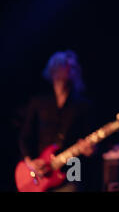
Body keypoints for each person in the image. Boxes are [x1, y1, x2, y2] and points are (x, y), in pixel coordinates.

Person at [18, 50, 97, 192]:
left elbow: (91, 138)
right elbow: (25, 137)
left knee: (74, 187)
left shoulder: (83, 105)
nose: (71, 69)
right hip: (40, 170)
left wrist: (91, 150)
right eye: (65, 64)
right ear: (54, 69)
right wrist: (30, 162)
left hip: (72, 167)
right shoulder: (39, 102)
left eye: (74, 66)